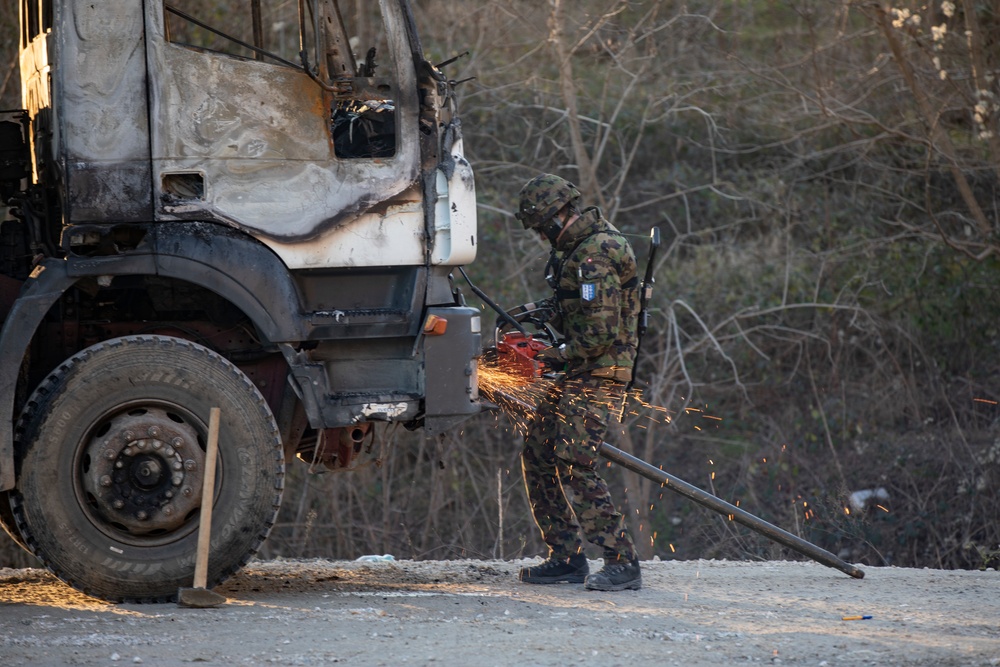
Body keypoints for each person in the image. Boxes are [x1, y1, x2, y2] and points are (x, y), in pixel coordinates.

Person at [512, 173, 642, 591]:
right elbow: (579, 307)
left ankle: (623, 562)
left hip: (598, 374)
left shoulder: (594, 255)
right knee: (538, 453)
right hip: (579, 372)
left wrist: (549, 356)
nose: (540, 237)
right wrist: (542, 312)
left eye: (540, 228)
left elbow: (598, 335)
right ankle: (567, 558)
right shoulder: (580, 251)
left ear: (554, 217)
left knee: (573, 459)